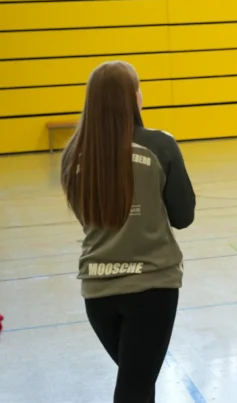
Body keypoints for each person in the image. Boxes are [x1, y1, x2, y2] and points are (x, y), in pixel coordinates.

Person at [62, 61, 196, 403]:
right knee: (135, 388)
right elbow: (183, 216)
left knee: (137, 383)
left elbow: (86, 216)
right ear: (133, 97)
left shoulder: (73, 154)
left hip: (97, 290)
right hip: (151, 287)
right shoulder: (161, 145)